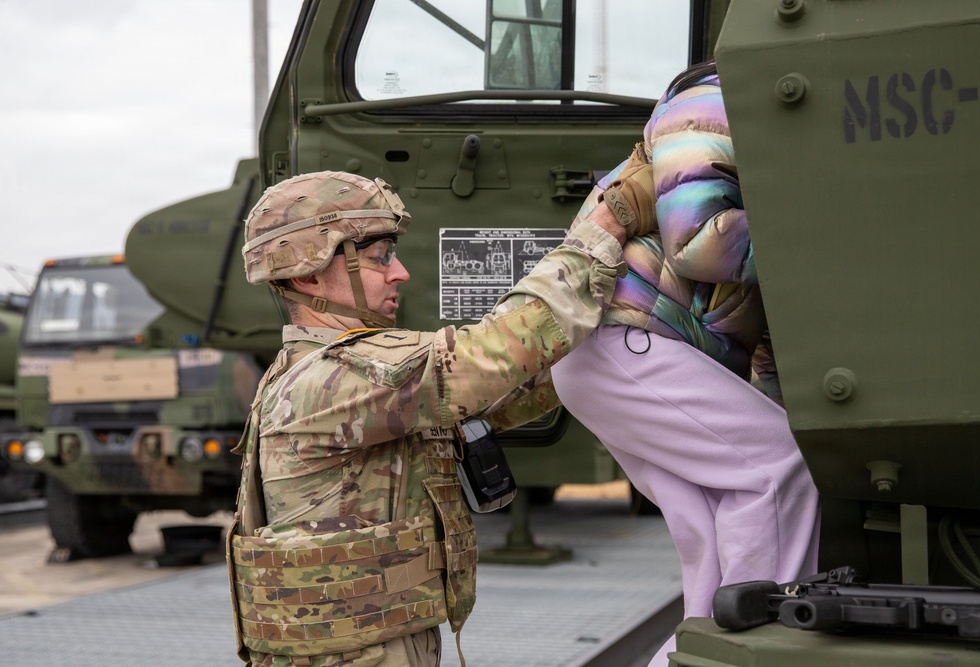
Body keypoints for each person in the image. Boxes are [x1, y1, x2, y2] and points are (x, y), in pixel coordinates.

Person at [226, 166, 655, 667]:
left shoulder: (334, 378)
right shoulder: (334, 378)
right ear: (307, 272)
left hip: (372, 645)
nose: (399, 272)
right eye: (378, 257)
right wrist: (610, 221)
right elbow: (493, 355)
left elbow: (509, 392)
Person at [550, 60, 821, 662]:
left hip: (619, 349)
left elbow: (767, 329)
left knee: (712, 536)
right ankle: (758, 650)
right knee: (776, 468)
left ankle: (705, 652)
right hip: (627, 342)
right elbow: (697, 239)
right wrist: (825, 227)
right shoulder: (709, 103)